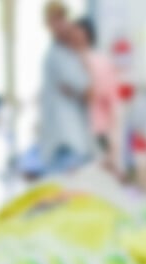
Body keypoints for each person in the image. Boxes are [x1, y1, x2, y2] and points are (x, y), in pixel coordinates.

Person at [38, 2, 93, 171]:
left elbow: (87, 92)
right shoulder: (58, 56)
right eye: (55, 20)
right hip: (65, 142)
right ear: (47, 24)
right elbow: (88, 91)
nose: (61, 25)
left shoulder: (66, 54)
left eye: (63, 19)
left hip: (69, 142)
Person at [74, 17, 123, 172]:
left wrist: (114, 139)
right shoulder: (69, 59)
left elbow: (112, 100)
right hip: (80, 132)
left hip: (97, 130)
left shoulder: (100, 62)